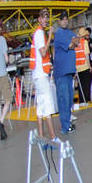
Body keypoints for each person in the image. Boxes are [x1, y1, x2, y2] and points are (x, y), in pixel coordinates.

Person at [31, 9, 57, 140]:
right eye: (44, 18)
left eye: (47, 18)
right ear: (39, 19)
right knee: (47, 104)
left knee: (41, 105)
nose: (46, 20)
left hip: (38, 74)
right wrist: (51, 35)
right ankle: (53, 136)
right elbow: (43, 52)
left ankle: (41, 135)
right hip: (41, 75)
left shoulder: (38, 33)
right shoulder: (40, 34)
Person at [52, 15, 78, 134]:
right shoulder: (59, 33)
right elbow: (71, 45)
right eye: (63, 19)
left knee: (68, 100)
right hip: (62, 72)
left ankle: (67, 123)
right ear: (59, 21)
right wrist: (74, 41)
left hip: (69, 71)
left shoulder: (69, 32)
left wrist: (74, 41)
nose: (65, 21)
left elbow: (75, 43)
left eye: (66, 19)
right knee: (64, 99)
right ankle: (65, 126)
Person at [0, 19, 11, 140]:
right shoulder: (2, 40)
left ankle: (2, 133)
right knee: (8, 100)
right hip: (2, 74)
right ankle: (0, 123)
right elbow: (6, 59)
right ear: (0, 28)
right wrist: (8, 59)